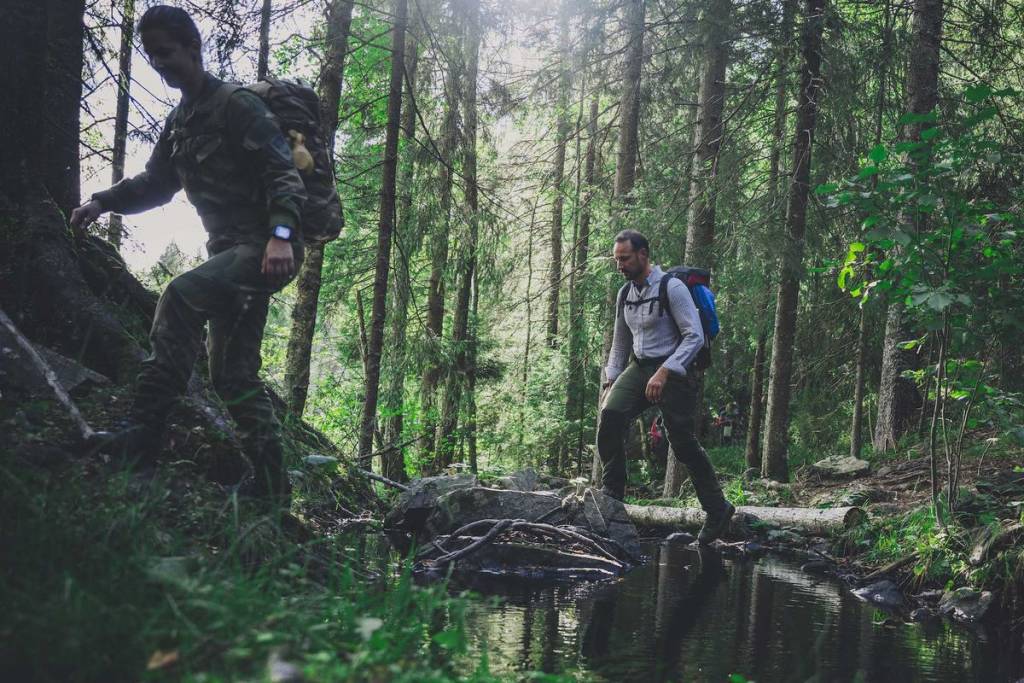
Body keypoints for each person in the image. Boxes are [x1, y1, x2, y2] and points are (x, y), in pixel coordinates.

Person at [70, 5, 306, 505]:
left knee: (180, 295)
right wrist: (102, 201)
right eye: (151, 54)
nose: (158, 62)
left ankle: (142, 434)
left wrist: (281, 235)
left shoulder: (236, 106)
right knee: (232, 375)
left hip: (266, 247)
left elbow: (282, 174)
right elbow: (156, 183)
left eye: (166, 51)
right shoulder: (180, 123)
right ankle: (272, 489)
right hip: (229, 254)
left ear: (193, 49)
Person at [598, 230, 734, 544]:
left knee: (682, 442)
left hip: (676, 367)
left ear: (643, 254)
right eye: (617, 259)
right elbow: (620, 344)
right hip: (640, 364)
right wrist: (610, 380)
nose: (620, 265)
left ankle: (718, 509)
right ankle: (612, 495)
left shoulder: (671, 288)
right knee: (611, 414)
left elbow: (694, 337)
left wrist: (665, 371)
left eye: (625, 258)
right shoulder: (625, 294)